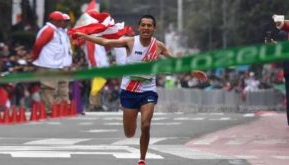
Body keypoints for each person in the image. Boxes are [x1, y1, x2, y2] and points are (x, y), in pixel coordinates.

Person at [74, 15, 206, 165]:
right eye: (143, 25)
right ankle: (132, 120)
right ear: (139, 27)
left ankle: (142, 159)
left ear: (154, 29)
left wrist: (191, 71)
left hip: (148, 91)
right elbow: (106, 41)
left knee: (146, 125)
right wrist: (86, 36)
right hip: (129, 92)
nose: (146, 28)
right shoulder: (130, 42)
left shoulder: (158, 46)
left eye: (149, 26)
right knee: (129, 133)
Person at [32, 11, 68, 115]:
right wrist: (34, 58)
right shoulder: (48, 30)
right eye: (59, 21)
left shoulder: (56, 31)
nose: (62, 23)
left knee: (54, 89)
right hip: (47, 65)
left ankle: (55, 110)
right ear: (53, 21)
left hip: (55, 65)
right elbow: (38, 45)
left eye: (62, 21)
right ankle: (48, 111)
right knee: (48, 88)